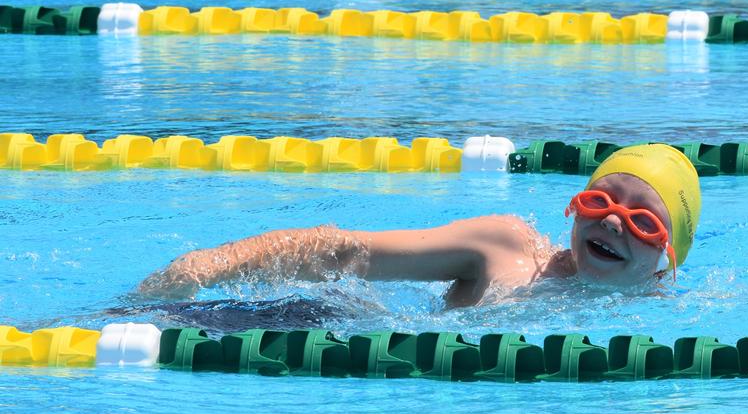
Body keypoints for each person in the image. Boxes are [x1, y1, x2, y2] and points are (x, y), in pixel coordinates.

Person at [134, 144, 702, 309]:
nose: (611, 223)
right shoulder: (506, 248)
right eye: (598, 200)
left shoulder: (671, 327)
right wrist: (204, 266)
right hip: (328, 329)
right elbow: (340, 251)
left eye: (643, 221)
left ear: (668, 257)